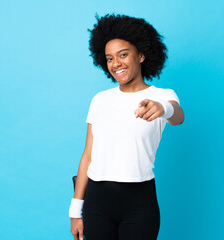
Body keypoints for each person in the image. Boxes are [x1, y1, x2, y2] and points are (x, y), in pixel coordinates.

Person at [69, 14, 185, 240]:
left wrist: (163, 109)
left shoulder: (162, 97)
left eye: (123, 55)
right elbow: (87, 157)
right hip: (96, 203)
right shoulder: (100, 100)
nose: (116, 64)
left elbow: (178, 117)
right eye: (110, 58)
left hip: (139, 201)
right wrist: (75, 211)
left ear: (141, 55)